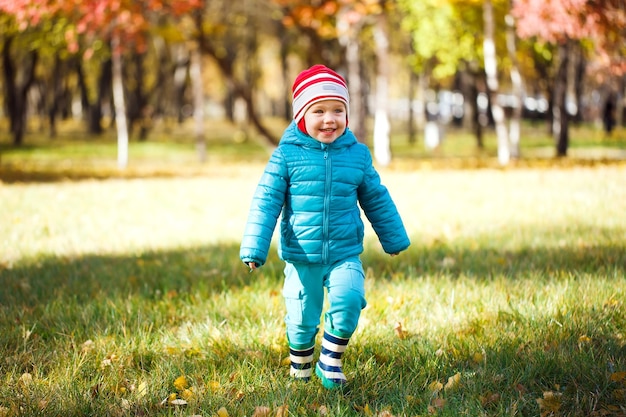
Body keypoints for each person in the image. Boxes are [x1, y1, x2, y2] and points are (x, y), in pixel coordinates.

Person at [240, 65, 410, 390]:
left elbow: (376, 197)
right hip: (302, 255)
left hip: (344, 251)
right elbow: (265, 202)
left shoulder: (358, 156)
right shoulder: (286, 156)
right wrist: (254, 248)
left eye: (337, 110)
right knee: (302, 319)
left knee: (349, 300)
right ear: (301, 116)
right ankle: (300, 369)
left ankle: (330, 360)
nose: (329, 119)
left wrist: (393, 237)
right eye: (318, 110)